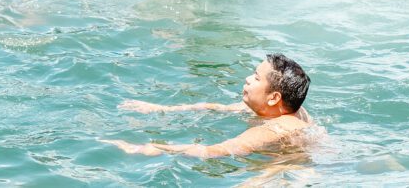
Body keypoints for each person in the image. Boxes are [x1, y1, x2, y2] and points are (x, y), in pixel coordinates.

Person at [102, 54, 315, 158]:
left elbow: (214, 151)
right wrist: (160, 109)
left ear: (273, 98)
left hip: (293, 169)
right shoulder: (290, 110)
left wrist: (150, 148)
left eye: (257, 78)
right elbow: (214, 106)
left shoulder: (271, 130)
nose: (248, 79)